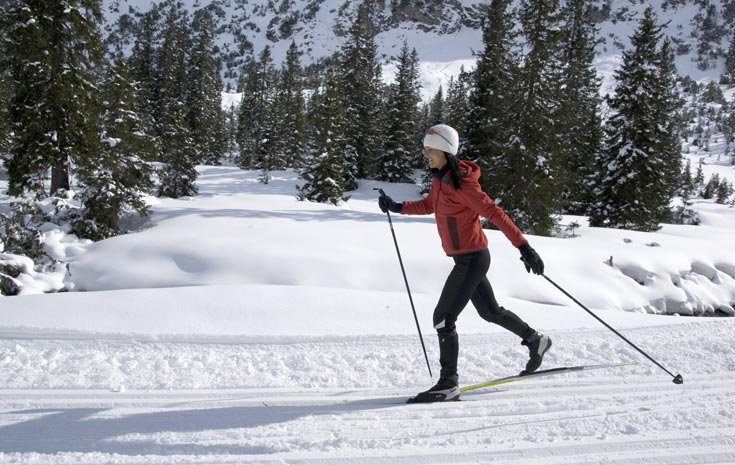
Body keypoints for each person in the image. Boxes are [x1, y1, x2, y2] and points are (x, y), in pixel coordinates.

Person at [378, 123, 550, 403]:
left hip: (472, 259)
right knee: (491, 312)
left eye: (429, 148)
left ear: (445, 149)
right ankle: (535, 340)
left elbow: (496, 214)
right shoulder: (439, 181)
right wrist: (398, 207)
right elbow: (429, 205)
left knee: (443, 318)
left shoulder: (465, 186)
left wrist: (524, 246)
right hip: (466, 259)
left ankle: (448, 383)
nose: (426, 153)